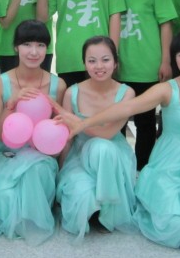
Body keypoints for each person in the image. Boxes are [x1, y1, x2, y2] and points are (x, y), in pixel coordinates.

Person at [58, 30, 180, 258]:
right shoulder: (167, 88)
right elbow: (126, 108)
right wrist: (84, 123)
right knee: (175, 231)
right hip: (168, 166)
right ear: (175, 60)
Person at [0, 20, 66, 243]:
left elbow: (59, 132)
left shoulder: (57, 85)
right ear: (16, 47)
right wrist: (11, 104)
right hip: (6, 152)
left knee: (35, 173)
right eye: (27, 44)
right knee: (4, 198)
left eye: (40, 45)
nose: (34, 52)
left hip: (41, 155)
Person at [108, 0, 177, 171]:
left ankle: (142, 172)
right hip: (116, 68)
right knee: (115, 122)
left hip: (147, 65)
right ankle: (119, 170)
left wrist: (166, 60)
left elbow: (166, 23)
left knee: (145, 123)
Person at [55, 36, 136, 240]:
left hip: (112, 155)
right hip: (80, 155)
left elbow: (108, 134)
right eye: (92, 61)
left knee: (102, 147)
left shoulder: (127, 93)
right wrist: (61, 170)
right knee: (82, 200)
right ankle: (97, 206)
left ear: (115, 62)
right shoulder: (72, 93)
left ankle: (108, 210)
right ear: (84, 63)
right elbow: (68, 138)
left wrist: (79, 123)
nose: (99, 66)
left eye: (105, 60)